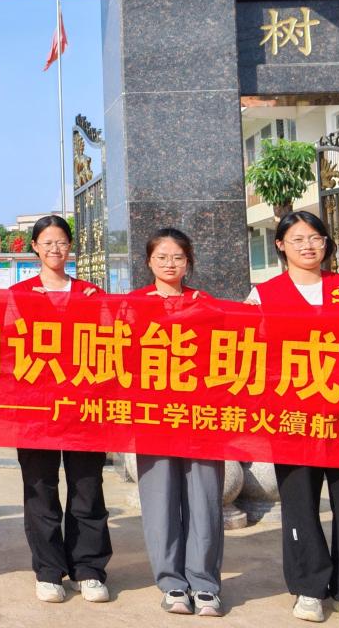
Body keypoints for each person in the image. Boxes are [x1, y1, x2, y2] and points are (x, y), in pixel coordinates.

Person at [246, 210, 339, 628]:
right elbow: (247, 351)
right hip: (294, 420)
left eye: (315, 238)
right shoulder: (262, 295)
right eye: (298, 239)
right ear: (281, 245)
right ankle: (309, 588)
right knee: (300, 505)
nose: (308, 246)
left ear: (325, 243)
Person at [9, 215, 113, 604]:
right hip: (35, 408)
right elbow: (6, 346)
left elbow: (109, 342)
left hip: (84, 406)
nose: (55, 249)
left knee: (87, 487)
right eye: (47, 242)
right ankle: (49, 570)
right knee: (40, 488)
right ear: (35, 247)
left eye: (62, 242)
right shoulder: (19, 294)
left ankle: (89, 569)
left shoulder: (91, 293)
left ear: (71, 247)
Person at [128, 228, 224, 617]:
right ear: (149, 261)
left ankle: (205, 584)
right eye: (162, 257)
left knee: (204, 499)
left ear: (189, 262)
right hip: (153, 416)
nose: (170, 264)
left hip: (202, 416)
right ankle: (171, 583)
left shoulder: (208, 304)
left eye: (178, 257)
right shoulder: (132, 305)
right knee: (160, 501)